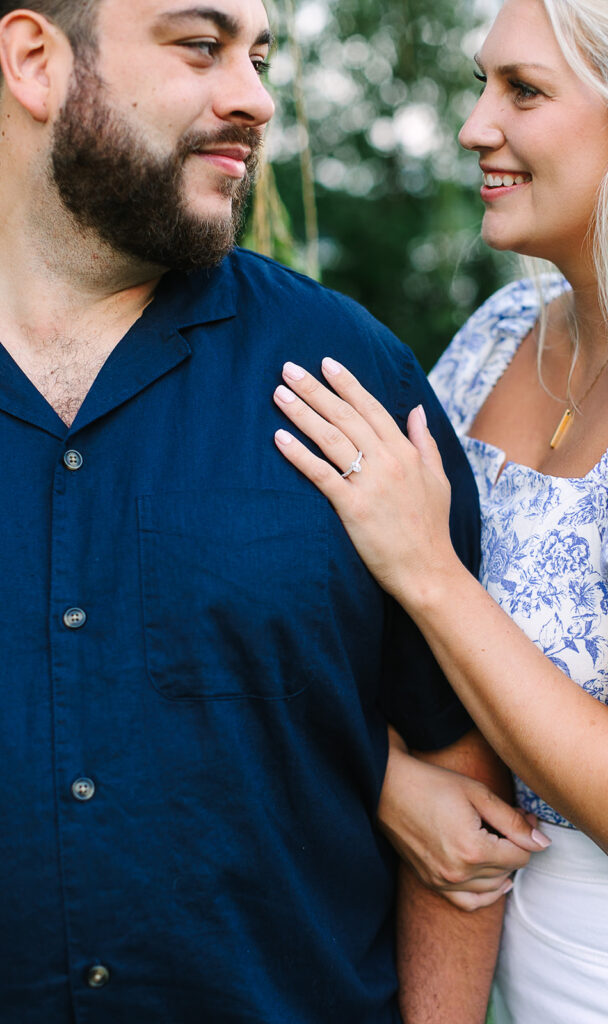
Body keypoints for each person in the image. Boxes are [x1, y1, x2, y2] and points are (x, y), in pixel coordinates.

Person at [0, 0, 548, 1020]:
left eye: (259, 56)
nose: (253, 98)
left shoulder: (347, 378)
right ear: (35, 61)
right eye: (200, 47)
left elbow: (459, 787)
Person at [272, 0, 608, 1020]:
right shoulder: (497, 337)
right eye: (478, 82)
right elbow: (381, 656)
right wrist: (384, 779)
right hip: (478, 939)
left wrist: (427, 570)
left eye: (523, 90)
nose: (472, 126)